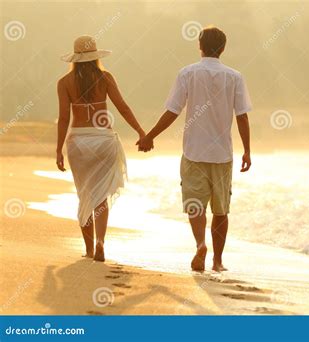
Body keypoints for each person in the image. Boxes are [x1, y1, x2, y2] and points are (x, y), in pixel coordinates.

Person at [137, 26, 252, 272]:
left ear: (199, 46)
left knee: (195, 204)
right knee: (221, 210)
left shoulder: (187, 73)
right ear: (223, 48)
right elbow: (242, 116)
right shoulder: (234, 77)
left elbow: (173, 111)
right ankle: (218, 261)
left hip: (193, 151)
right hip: (222, 154)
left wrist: (150, 136)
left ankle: (200, 244)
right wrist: (247, 151)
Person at [56, 35, 147, 262]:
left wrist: (58, 150)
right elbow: (123, 107)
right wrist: (141, 132)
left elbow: (64, 118)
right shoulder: (105, 78)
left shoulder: (64, 82)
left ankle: (88, 249)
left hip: (78, 141)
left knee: (84, 192)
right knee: (100, 196)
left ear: (75, 58)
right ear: (95, 56)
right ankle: (100, 242)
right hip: (103, 140)